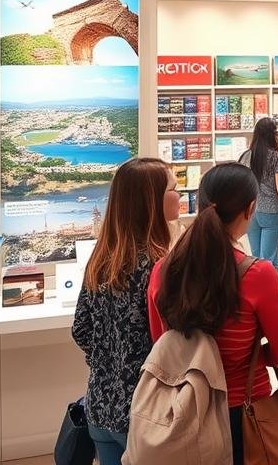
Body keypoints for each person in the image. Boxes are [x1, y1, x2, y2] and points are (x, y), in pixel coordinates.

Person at [148, 162, 278, 463]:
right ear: (250, 209)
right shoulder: (258, 274)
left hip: (184, 409)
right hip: (242, 413)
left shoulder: (162, 270)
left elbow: (162, 344)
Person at [70, 157, 180, 465]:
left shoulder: (102, 259)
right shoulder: (159, 266)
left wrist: (109, 363)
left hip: (100, 406)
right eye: (173, 189)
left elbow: (80, 329)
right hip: (147, 411)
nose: (179, 195)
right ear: (151, 202)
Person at [239, 117, 278, 267]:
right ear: (272, 134)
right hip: (272, 212)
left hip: (251, 211)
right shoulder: (276, 158)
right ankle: (270, 282)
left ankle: (257, 282)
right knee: (269, 259)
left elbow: (241, 184)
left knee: (255, 258)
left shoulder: (246, 156)